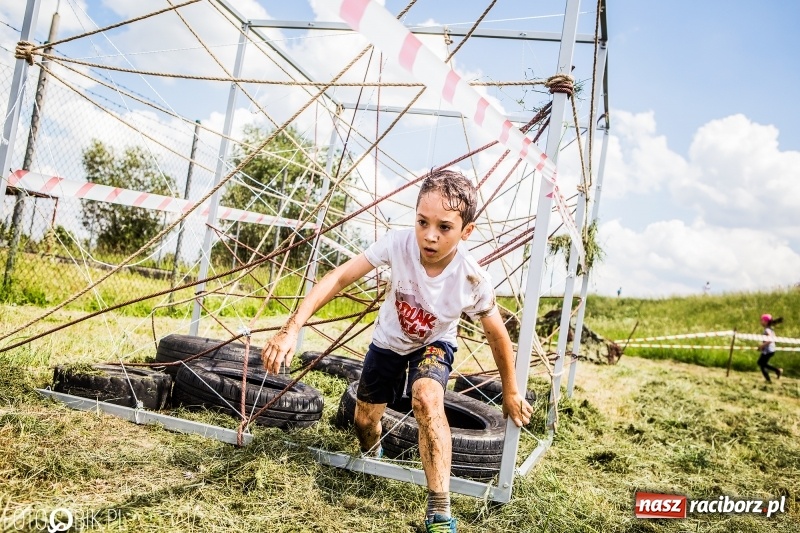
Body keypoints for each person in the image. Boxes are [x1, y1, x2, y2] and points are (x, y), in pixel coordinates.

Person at [261, 169, 532, 532]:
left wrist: (511, 391)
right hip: (388, 343)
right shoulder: (398, 244)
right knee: (365, 422)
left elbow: (498, 335)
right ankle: (374, 456)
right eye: (422, 221)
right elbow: (340, 277)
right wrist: (291, 327)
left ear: (466, 232)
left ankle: (439, 513)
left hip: (434, 346)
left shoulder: (472, 278)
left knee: (426, 397)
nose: (430, 235)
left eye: (445, 227)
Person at [756, 313, 783, 382]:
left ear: (766, 322)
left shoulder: (767, 330)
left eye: (762, 320)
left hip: (768, 350)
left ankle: (775, 373)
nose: (761, 322)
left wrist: (762, 346)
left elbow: (770, 340)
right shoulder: (770, 329)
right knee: (762, 363)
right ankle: (774, 374)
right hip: (770, 350)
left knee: (761, 363)